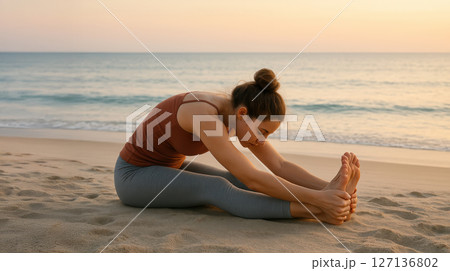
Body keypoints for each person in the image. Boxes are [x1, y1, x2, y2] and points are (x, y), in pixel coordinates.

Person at [114, 68, 359, 225]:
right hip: (133, 177)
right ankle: (314, 211)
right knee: (218, 187)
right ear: (243, 113)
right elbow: (253, 178)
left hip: (167, 167)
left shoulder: (236, 113)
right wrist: (321, 200)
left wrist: (329, 188)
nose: (262, 140)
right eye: (263, 131)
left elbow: (279, 165)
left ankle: (325, 202)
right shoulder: (203, 113)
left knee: (235, 179)